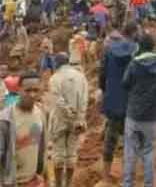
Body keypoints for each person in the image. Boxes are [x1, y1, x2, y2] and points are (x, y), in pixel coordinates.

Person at [121, 33, 156, 187]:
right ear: (153, 46)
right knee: (148, 152)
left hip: (133, 114)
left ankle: (128, 184)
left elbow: (125, 83)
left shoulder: (134, 64)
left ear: (140, 47)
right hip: (152, 116)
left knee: (130, 152)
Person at [98, 23, 139, 183]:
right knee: (131, 138)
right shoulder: (136, 50)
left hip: (113, 98)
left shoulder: (109, 49)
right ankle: (128, 176)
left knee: (111, 137)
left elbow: (102, 73)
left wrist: (104, 89)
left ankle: (105, 175)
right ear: (134, 32)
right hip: (131, 100)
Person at [0, 71, 49, 187]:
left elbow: (42, 148)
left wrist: (44, 175)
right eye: (27, 90)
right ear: (19, 90)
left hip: (33, 180)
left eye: (36, 90)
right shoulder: (5, 119)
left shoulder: (41, 113)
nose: (32, 94)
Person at [48, 53, 89, 187]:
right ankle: (69, 184)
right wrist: (79, 117)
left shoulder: (55, 78)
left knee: (58, 154)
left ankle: (59, 184)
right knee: (72, 153)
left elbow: (58, 101)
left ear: (57, 63)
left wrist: (68, 112)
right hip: (77, 120)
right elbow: (84, 99)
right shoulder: (81, 77)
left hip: (60, 120)